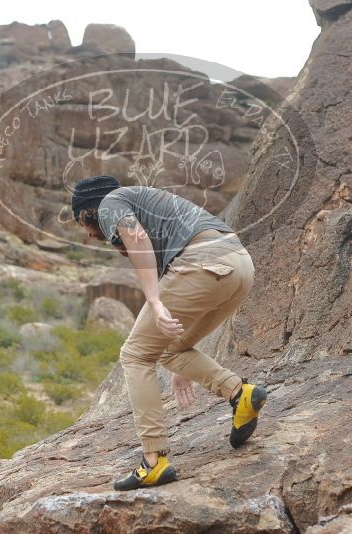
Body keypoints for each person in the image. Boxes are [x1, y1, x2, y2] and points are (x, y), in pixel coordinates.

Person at [71, 175, 267, 491]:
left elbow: (136, 239)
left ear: (86, 212)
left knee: (135, 355)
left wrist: (154, 300)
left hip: (202, 262)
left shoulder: (110, 202)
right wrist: (182, 360)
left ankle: (154, 461)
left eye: (84, 227)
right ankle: (240, 394)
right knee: (167, 349)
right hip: (240, 266)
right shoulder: (151, 208)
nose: (90, 235)